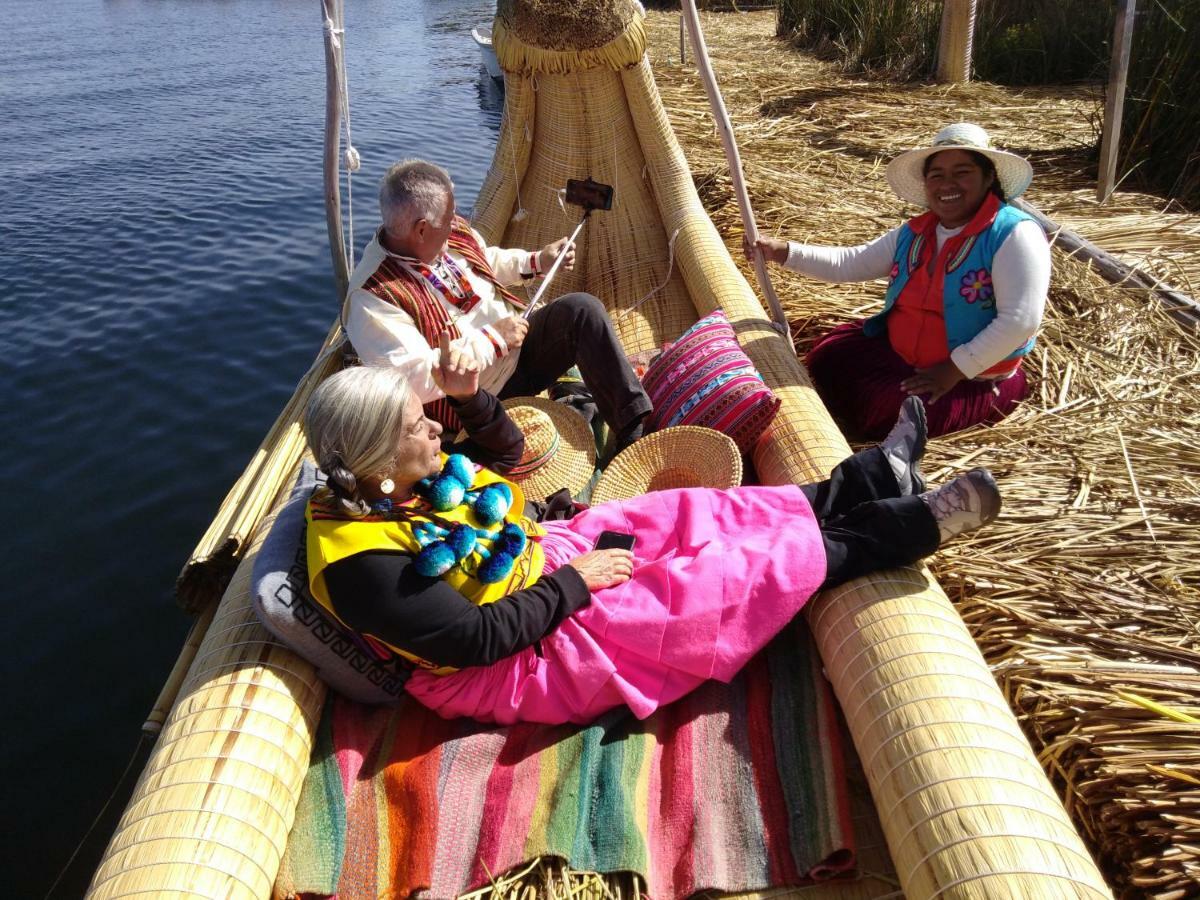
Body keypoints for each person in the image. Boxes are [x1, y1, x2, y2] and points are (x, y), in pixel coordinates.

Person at [300, 351, 1002, 727]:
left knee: (688, 514)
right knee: (708, 582)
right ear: (370, 456)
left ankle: (873, 476)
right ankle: (909, 527)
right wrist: (577, 583)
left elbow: (485, 524)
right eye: (411, 425)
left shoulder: (393, 485)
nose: (431, 425)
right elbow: (472, 641)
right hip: (519, 657)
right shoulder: (363, 566)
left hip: (542, 566)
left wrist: (551, 528)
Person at [749, 123, 1051, 440]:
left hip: (969, 376)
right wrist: (782, 252)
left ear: (988, 178)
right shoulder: (917, 232)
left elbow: (1020, 321)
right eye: (937, 175)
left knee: (888, 414)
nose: (948, 184)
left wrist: (952, 370)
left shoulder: (1013, 233)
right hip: (902, 354)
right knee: (828, 356)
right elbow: (851, 263)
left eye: (962, 172)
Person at [343, 158, 652, 452]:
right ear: (421, 229)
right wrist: (494, 339)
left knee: (582, 311)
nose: (456, 224)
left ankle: (634, 433)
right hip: (479, 399)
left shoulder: (447, 234)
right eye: (449, 220)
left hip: (519, 346)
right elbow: (413, 378)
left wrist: (536, 261)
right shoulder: (373, 296)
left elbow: (484, 260)